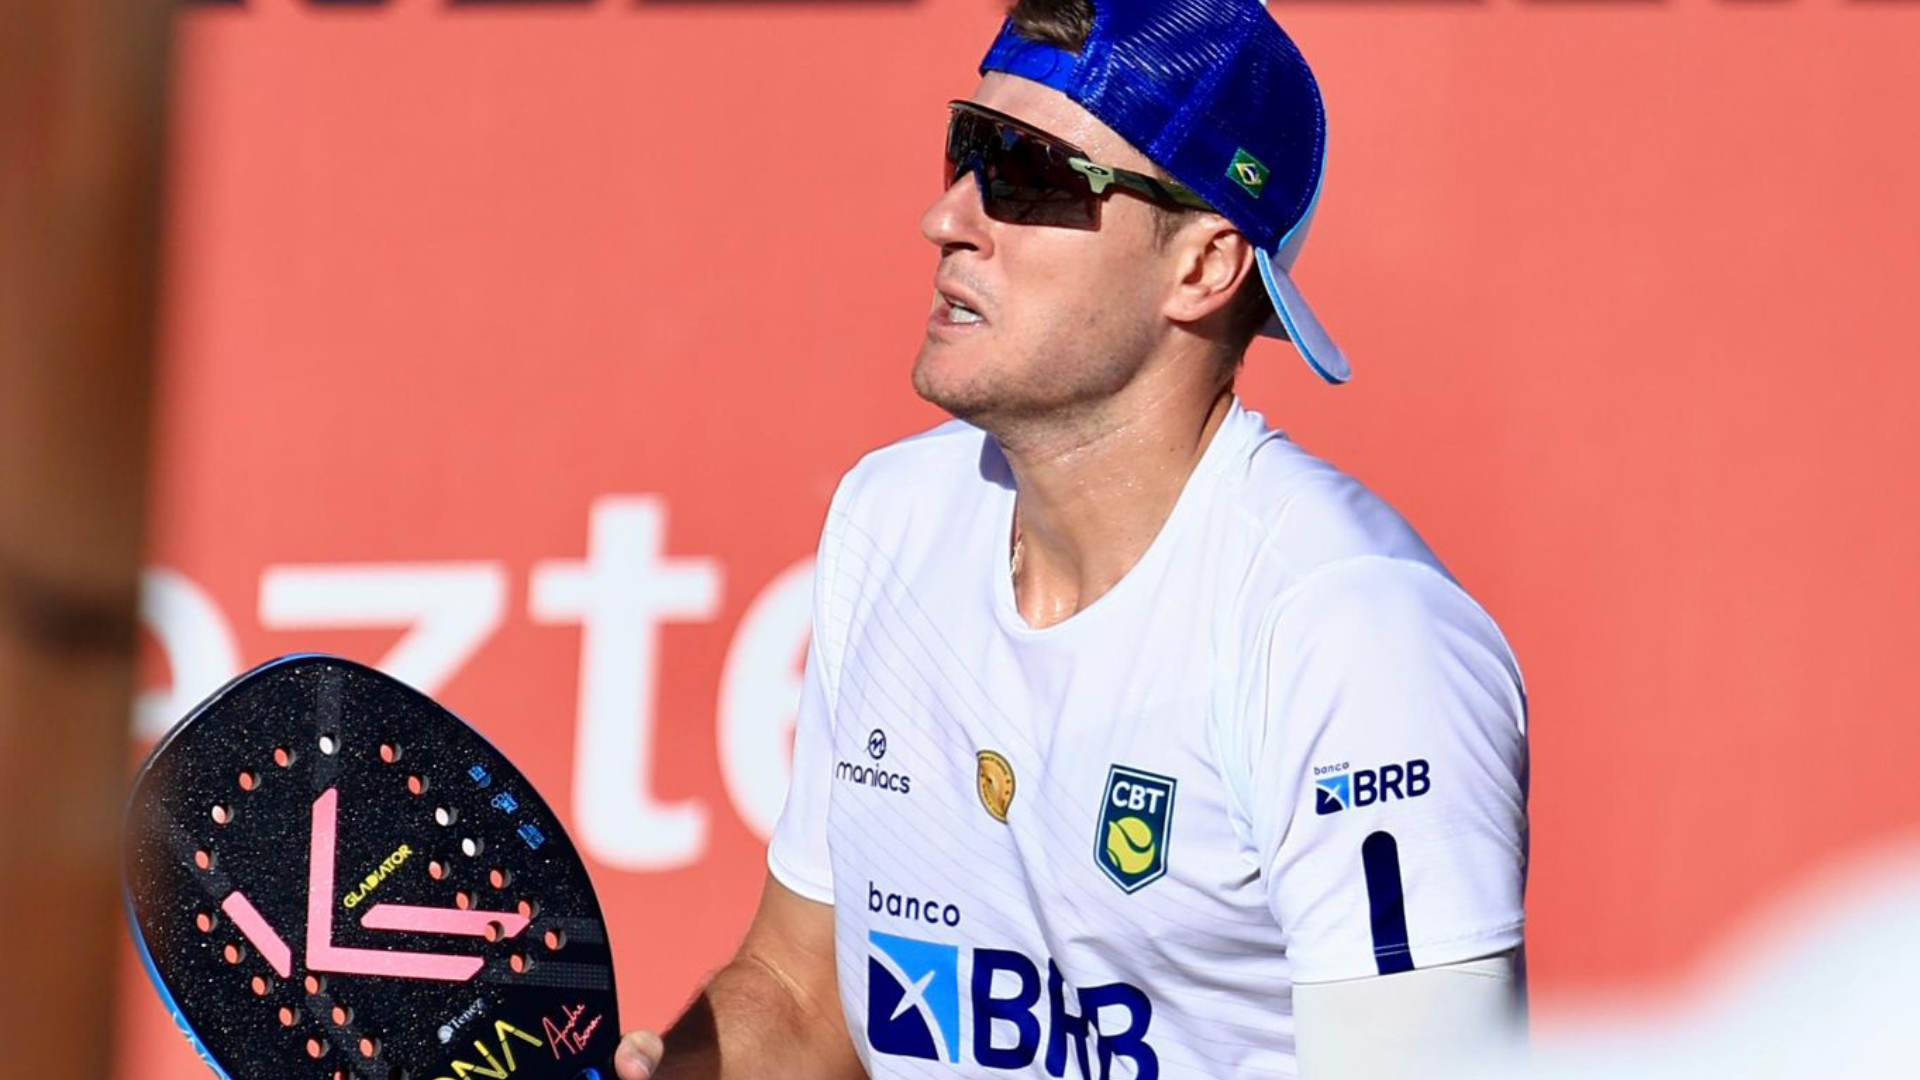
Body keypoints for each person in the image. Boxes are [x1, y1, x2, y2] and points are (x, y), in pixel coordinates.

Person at [616, 0, 1529, 1076]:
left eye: (1029, 173)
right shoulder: (891, 519)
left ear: (1204, 266)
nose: (948, 217)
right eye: (966, 146)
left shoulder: (1354, 631)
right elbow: (804, 993)